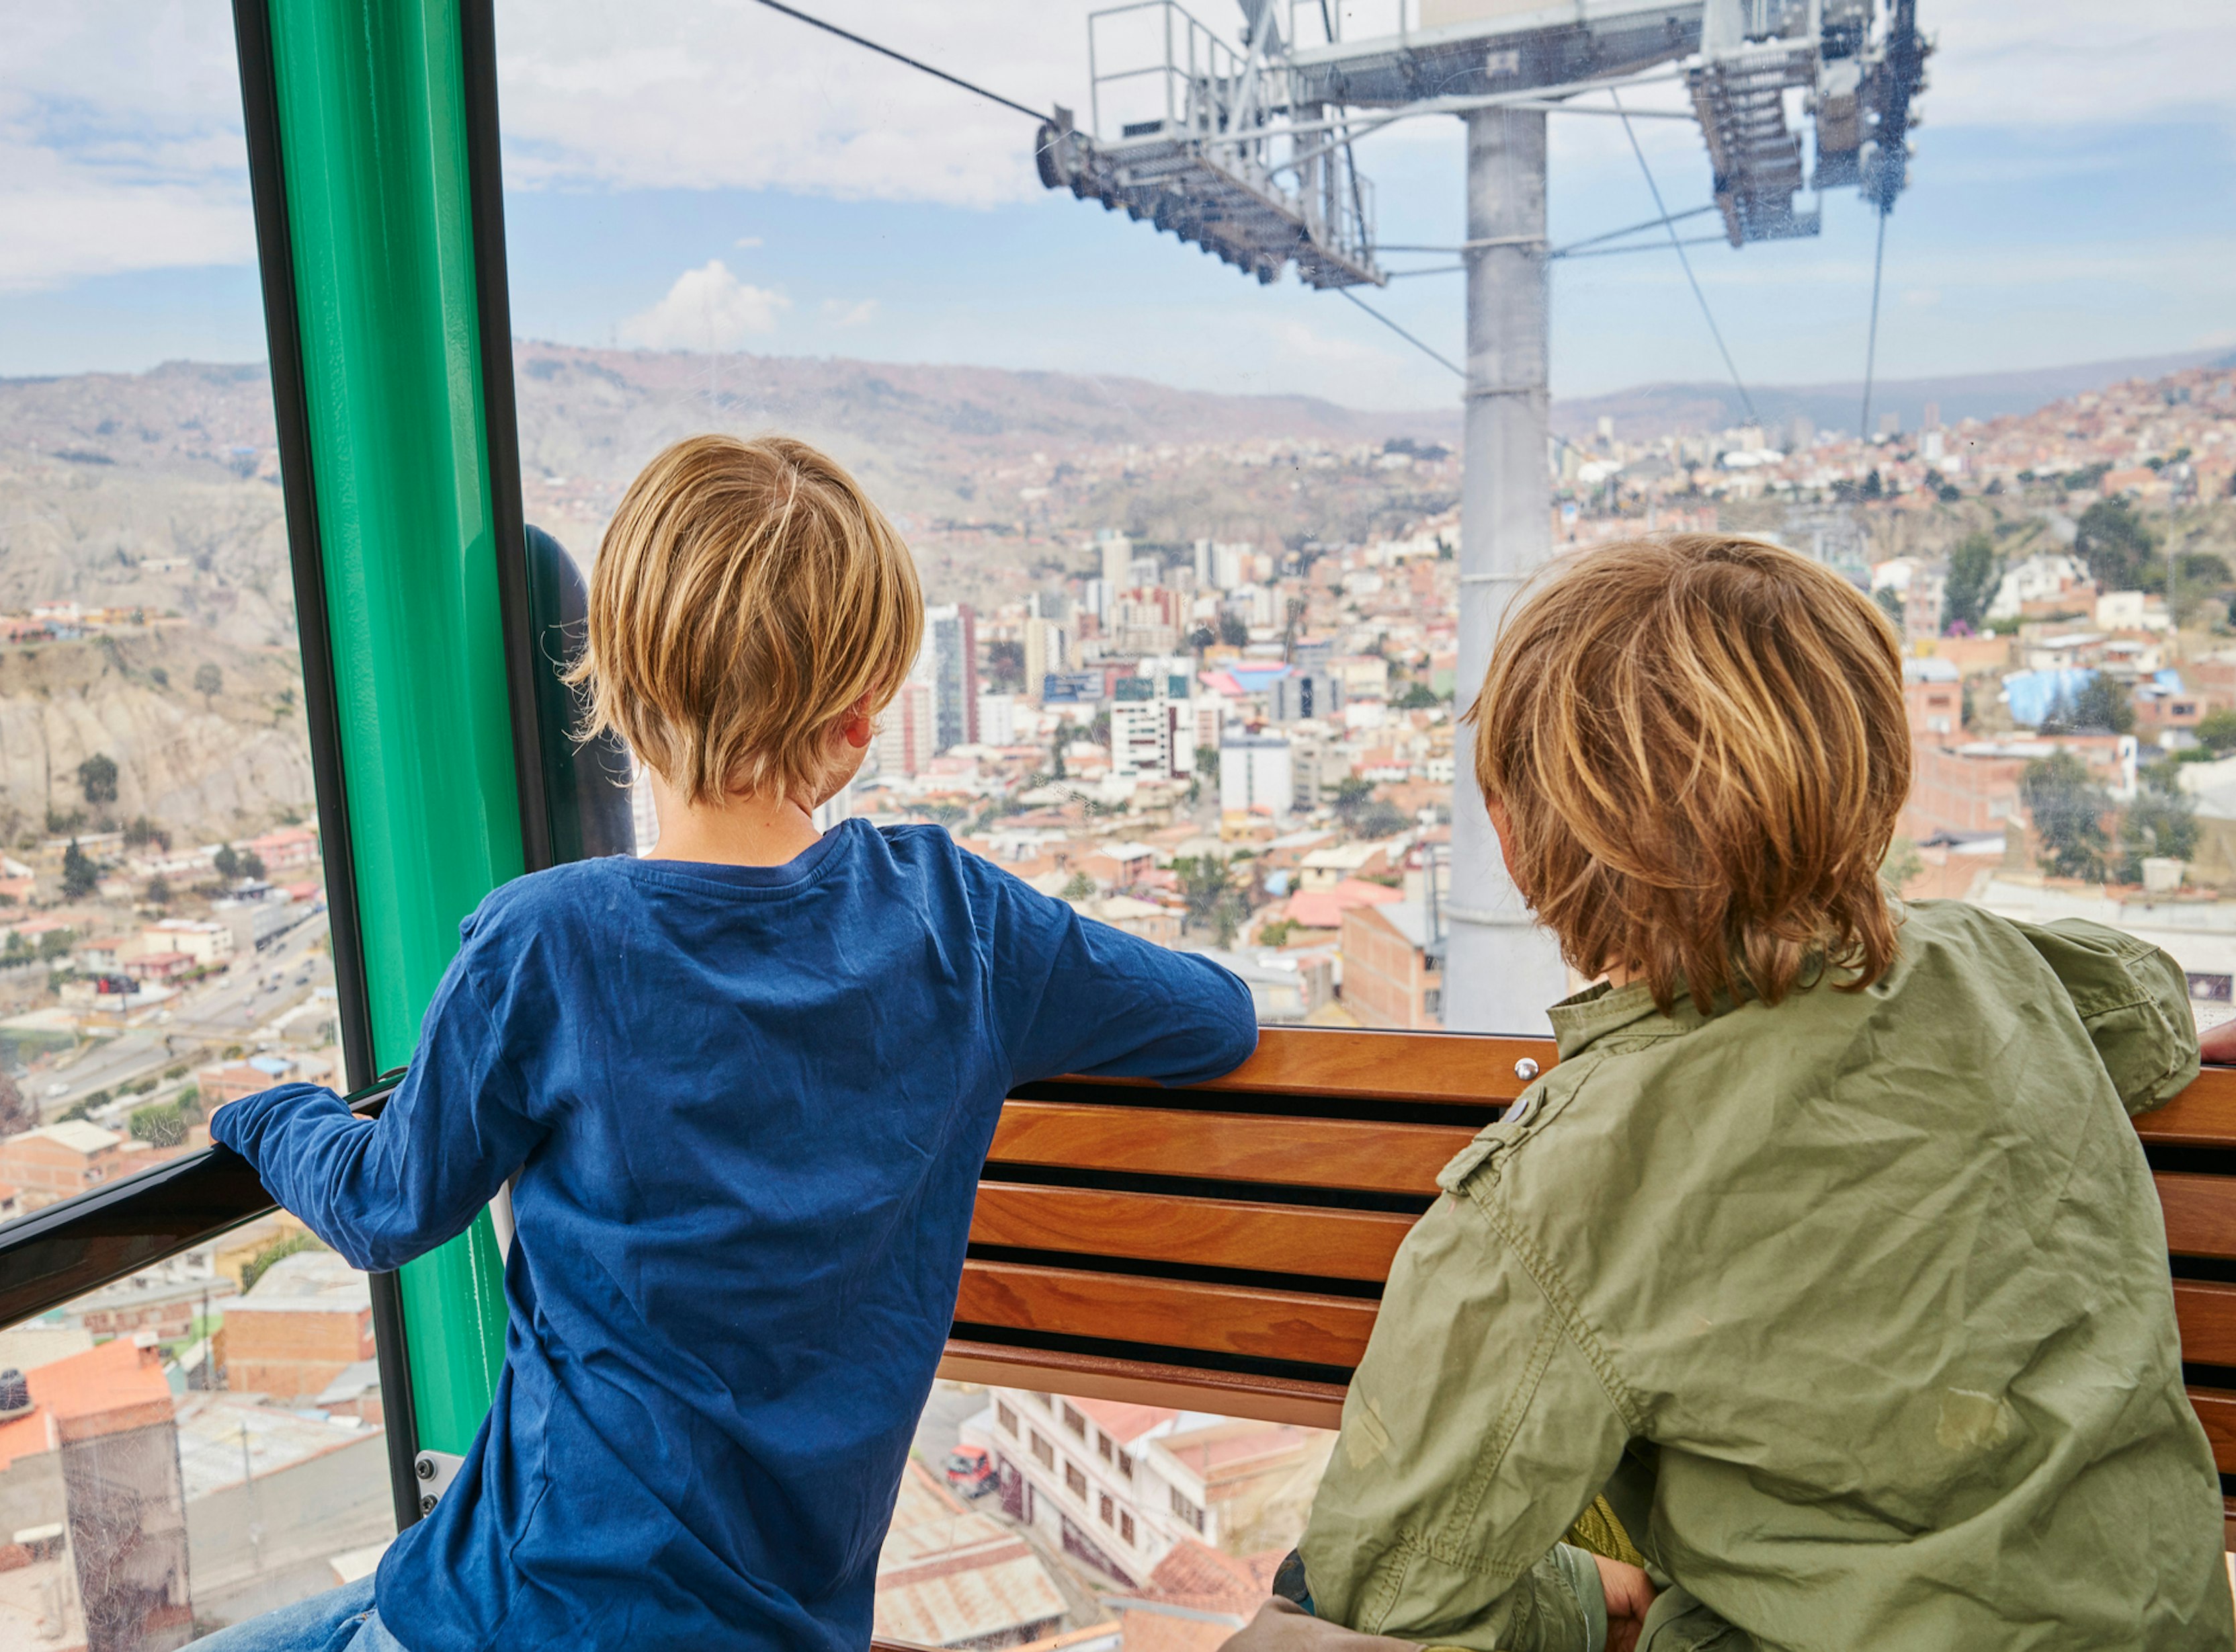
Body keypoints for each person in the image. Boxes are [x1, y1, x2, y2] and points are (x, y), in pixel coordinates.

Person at [192, 433, 1259, 1652]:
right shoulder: (961, 922)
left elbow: (386, 1207)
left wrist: (265, 1113)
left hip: (522, 1612)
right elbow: (1215, 1015)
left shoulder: (545, 943)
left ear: (618, 689)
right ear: (858, 725)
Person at [1228, 535, 2232, 1652]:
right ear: (1882, 784)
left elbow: (1386, 1597)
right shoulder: (1997, 963)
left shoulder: (1549, 1201)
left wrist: (1576, 1602)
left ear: (1514, 843)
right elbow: (2150, 1014)